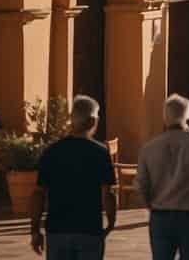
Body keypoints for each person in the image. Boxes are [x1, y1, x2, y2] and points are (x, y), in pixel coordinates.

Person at [30, 95, 116, 259]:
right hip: (89, 230)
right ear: (92, 121)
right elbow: (108, 194)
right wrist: (111, 223)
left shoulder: (52, 151)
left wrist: (34, 230)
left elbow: (38, 194)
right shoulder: (100, 152)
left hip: (57, 231)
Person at [136, 94, 189, 260]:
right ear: (188, 116)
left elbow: (141, 185)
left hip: (161, 215)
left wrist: (151, 207)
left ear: (165, 116)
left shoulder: (149, 148)